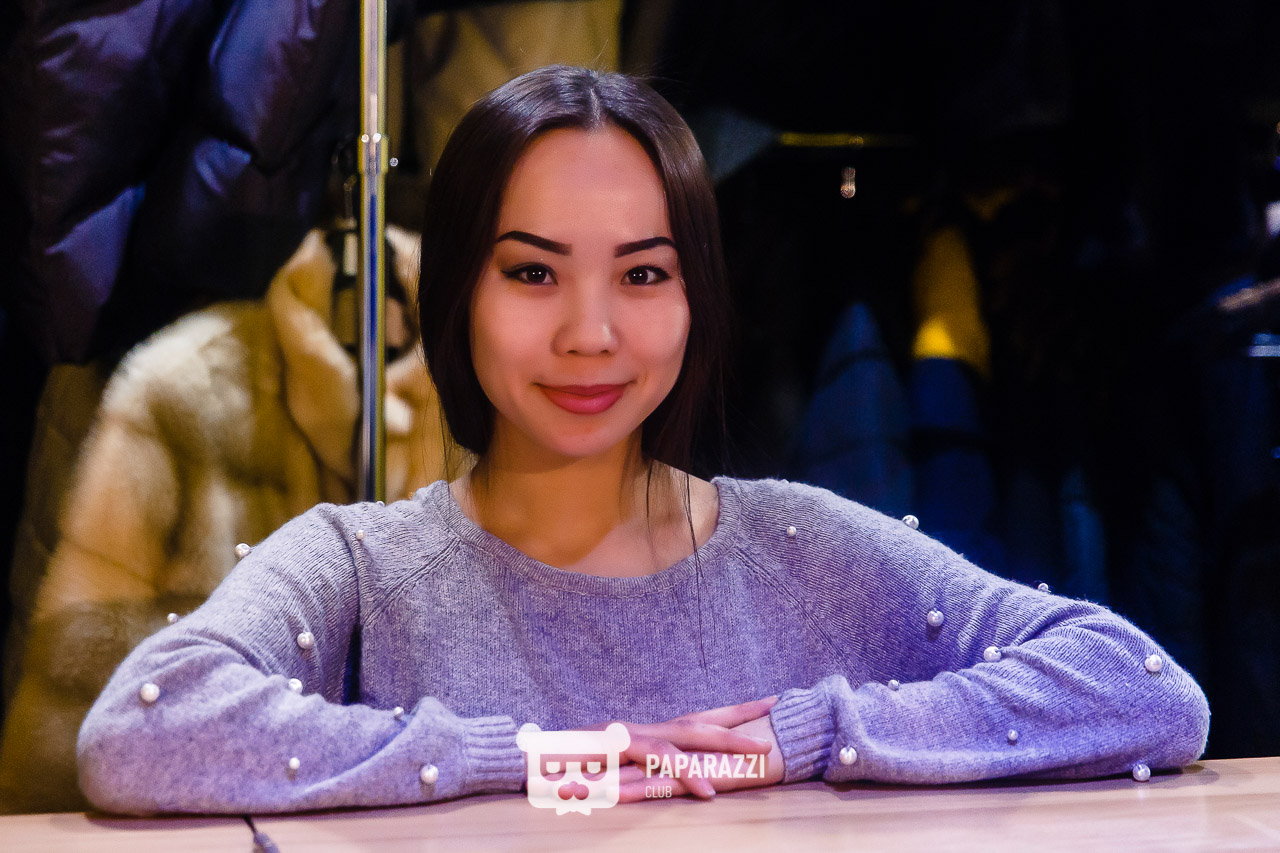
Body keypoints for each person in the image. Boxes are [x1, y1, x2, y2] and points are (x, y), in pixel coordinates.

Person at [76, 66, 1209, 815]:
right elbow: (139, 730)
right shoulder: (362, 566)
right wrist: (533, 757)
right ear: (456, 292)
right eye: (532, 272)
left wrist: (808, 733)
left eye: (642, 274)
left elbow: (1143, 689)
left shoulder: (800, 544)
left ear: (696, 295)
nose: (591, 333)